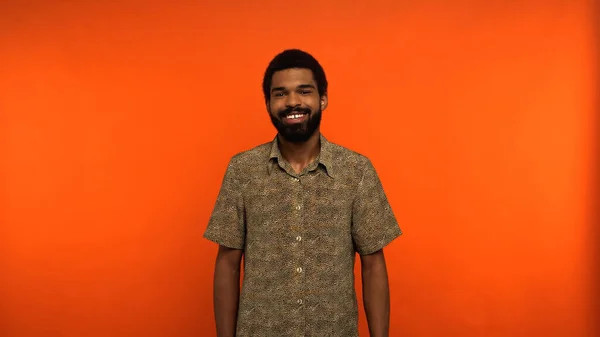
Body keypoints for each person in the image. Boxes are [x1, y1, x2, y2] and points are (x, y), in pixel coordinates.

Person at [203, 49, 402, 337]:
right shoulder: (242, 170)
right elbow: (228, 264)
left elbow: (373, 265)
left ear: (323, 98)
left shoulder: (356, 171)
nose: (293, 102)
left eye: (304, 91)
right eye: (280, 94)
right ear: (268, 103)